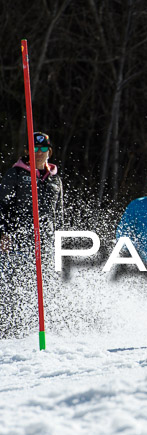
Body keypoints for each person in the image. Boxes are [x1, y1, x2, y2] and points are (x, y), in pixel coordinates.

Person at [0, 131, 64, 338]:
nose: (38, 152)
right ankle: (10, 332)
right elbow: (2, 206)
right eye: (34, 149)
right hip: (19, 242)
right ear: (27, 151)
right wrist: (4, 233)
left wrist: (59, 240)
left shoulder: (55, 180)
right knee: (15, 286)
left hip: (45, 244)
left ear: (50, 152)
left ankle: (36, 329)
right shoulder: (15, 174)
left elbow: (59, 214)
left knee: (43, 288)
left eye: (43, 149)